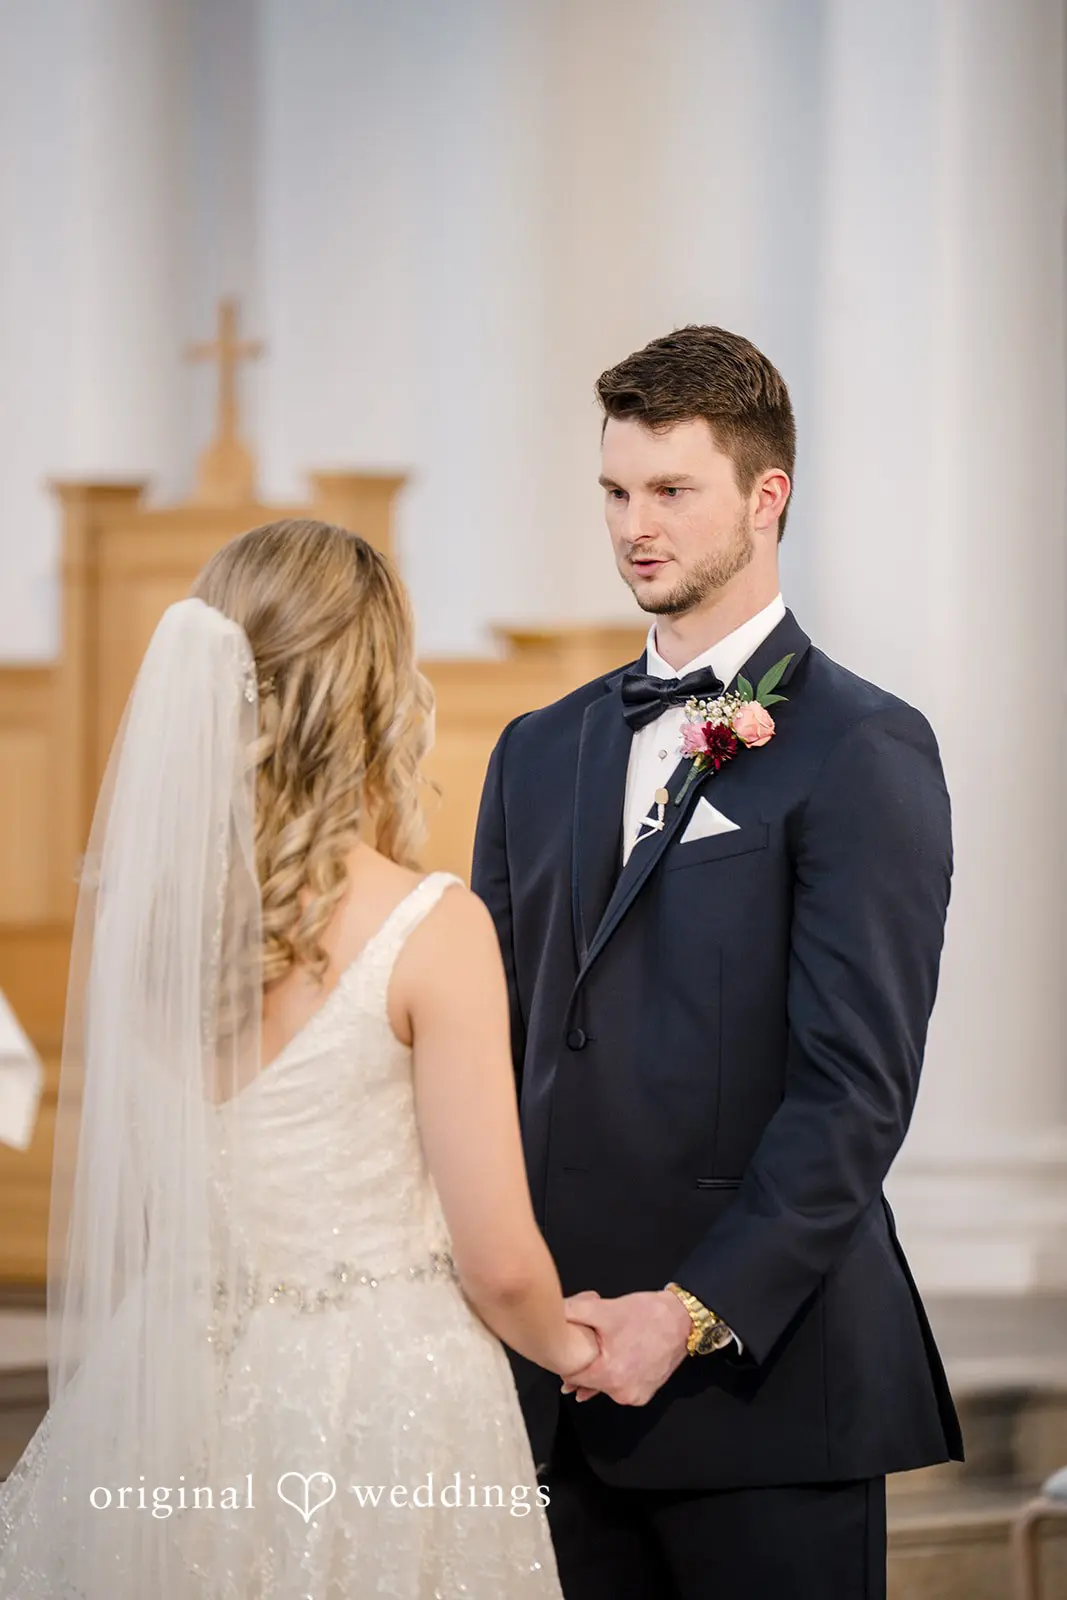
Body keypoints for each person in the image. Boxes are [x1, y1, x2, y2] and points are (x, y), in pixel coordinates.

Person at [0, 519, 594, 1597]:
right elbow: (499, 1260)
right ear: (371, 690)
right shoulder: (432, 927)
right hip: (384, 1401)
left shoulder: (149, 932)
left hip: (171, 1380)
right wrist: (574, 1345)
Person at [471, 325, 963, 1600]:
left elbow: (854, 1090)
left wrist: (683, 1312)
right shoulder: (534, 749)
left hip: (764, 1387)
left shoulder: (865, 745)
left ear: (765, 495)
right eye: (615, 491)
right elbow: (494, 1041)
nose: (634, 524)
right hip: (556, 1382)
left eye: (670, 490)